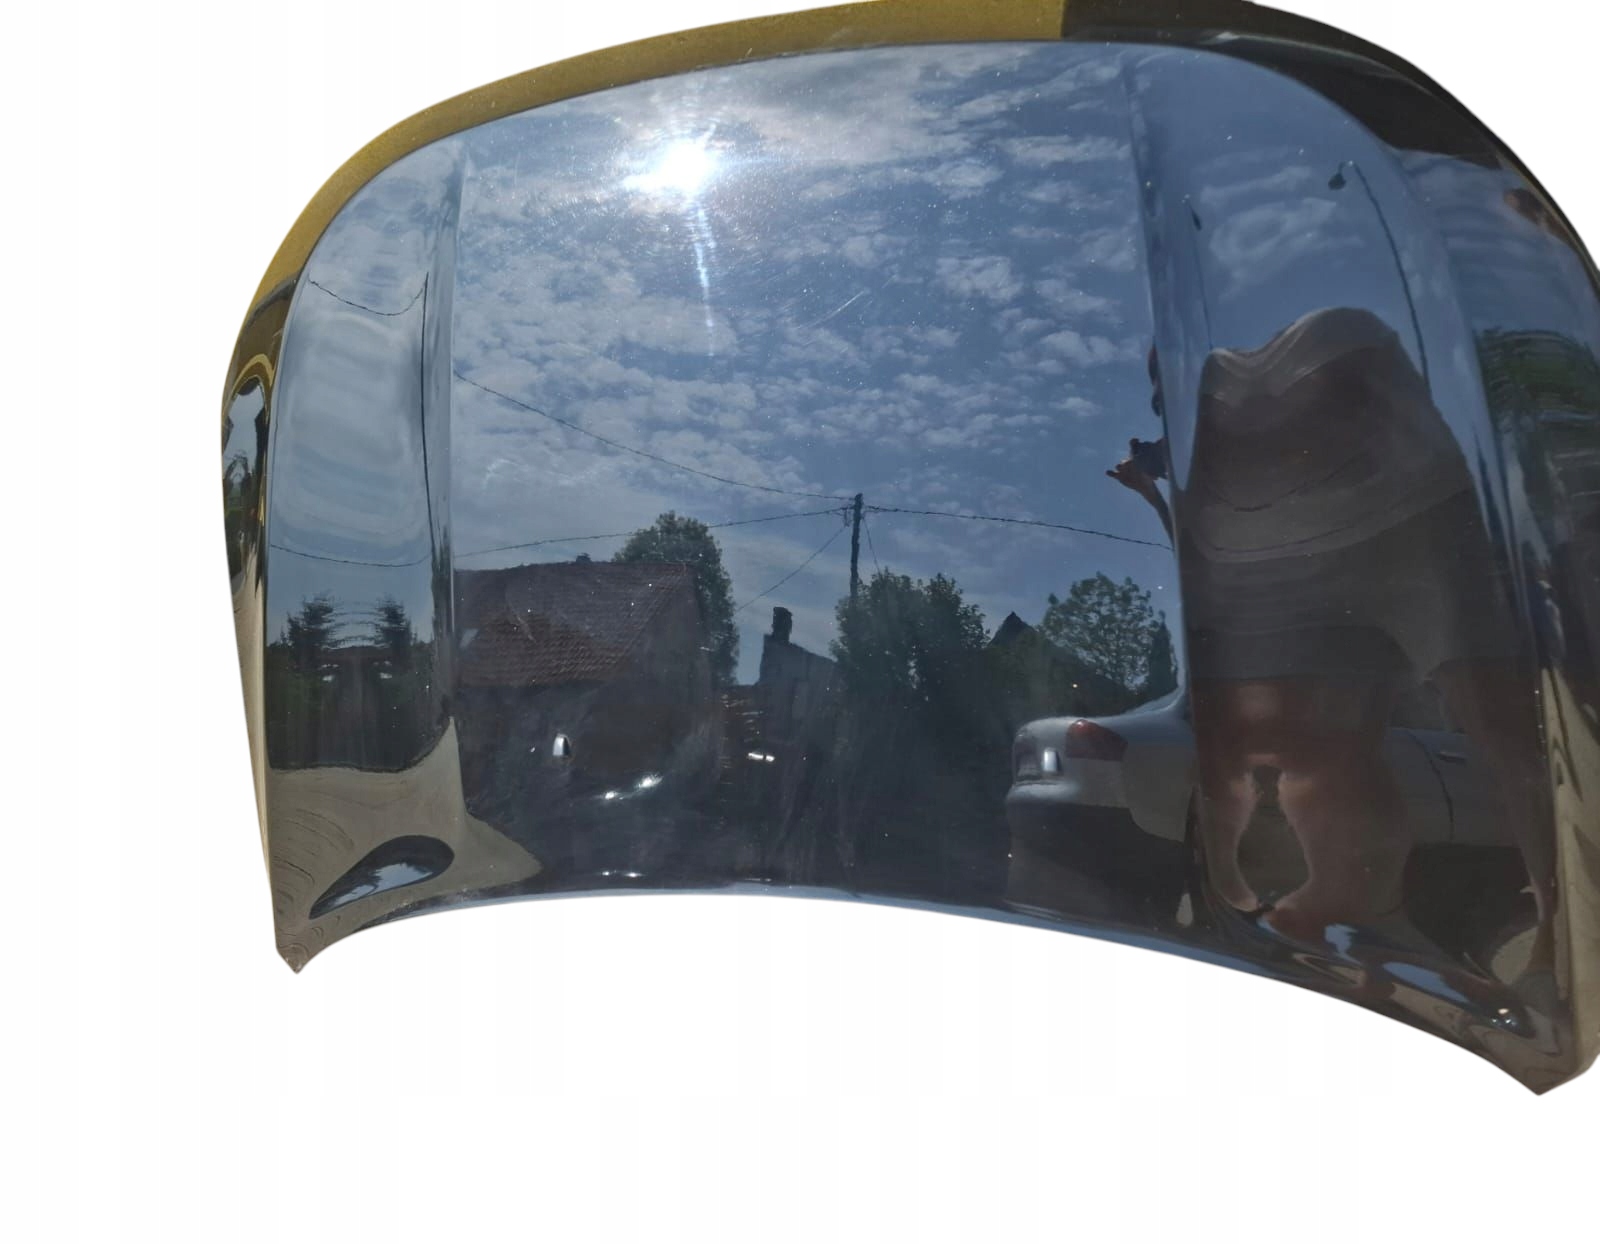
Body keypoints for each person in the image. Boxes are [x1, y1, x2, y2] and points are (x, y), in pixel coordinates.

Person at [1110, 310, 1554, 974]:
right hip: (1301, 565)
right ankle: (1353, 911)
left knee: (1503, 723)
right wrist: (1154, 493)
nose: (1159, 408)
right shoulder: (1218, 469)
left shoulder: (1325, 339)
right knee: (1318, 747)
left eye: (1163, 387)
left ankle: (1559, 916)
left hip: (1419, 525)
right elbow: (1199, 557)